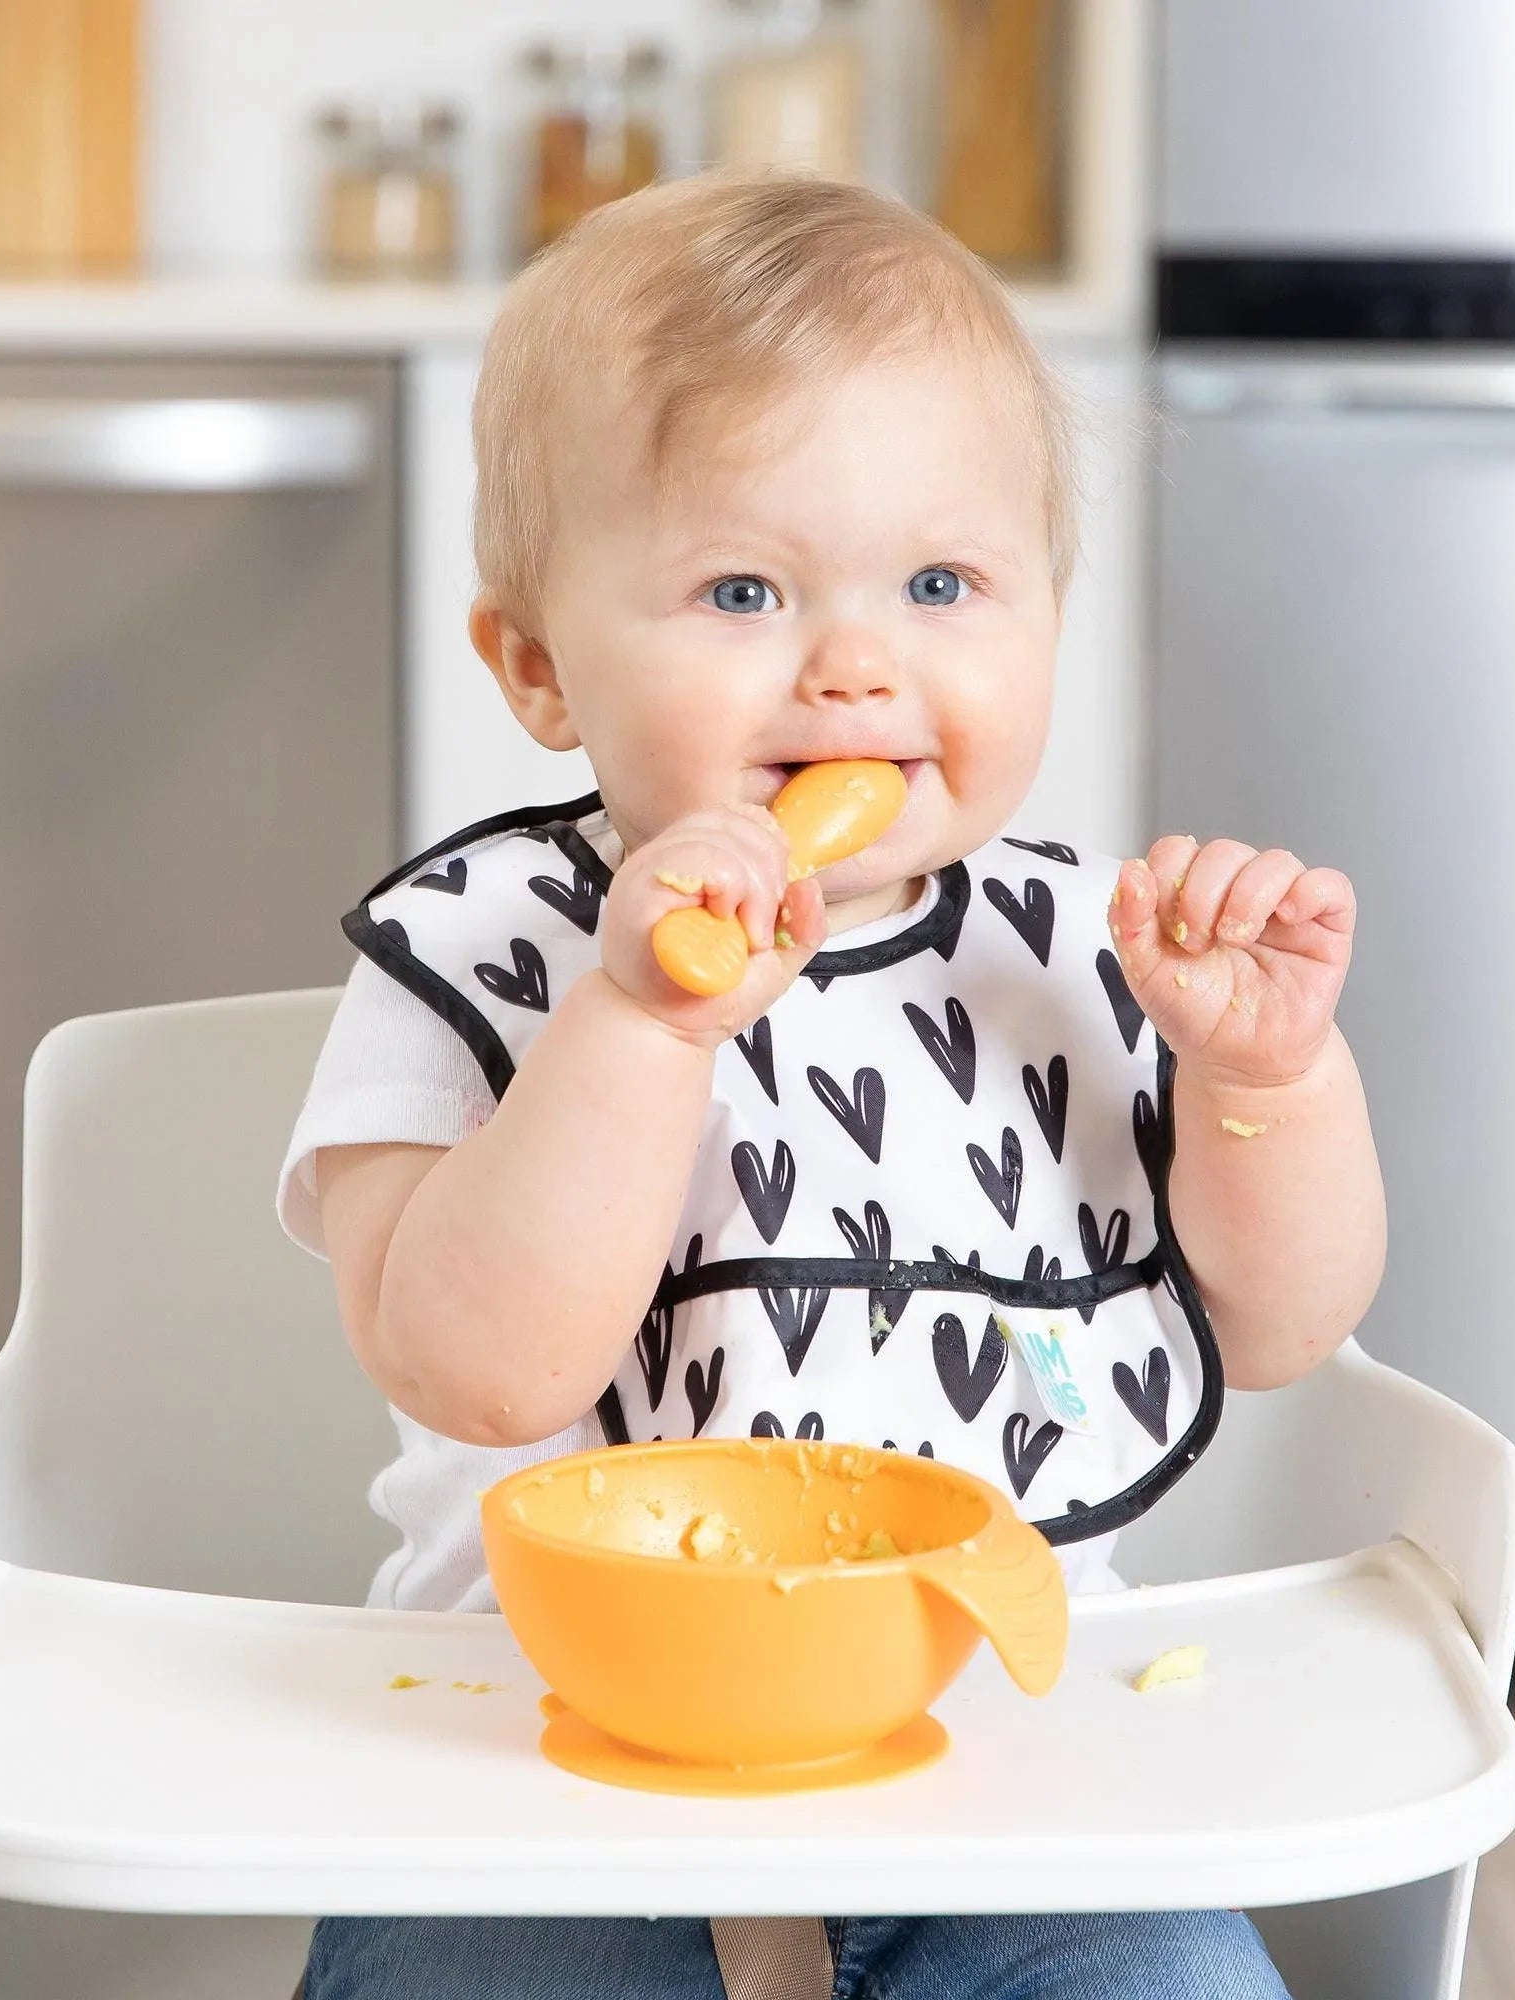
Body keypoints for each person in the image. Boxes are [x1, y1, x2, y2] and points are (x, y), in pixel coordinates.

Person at [278, 169, 1384, 2000]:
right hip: (537, 1765)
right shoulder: (475, 956)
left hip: (1009, 1736)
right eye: (740, 588)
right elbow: (475, 1367)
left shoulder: (1077, 952)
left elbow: (1280, 1322)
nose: (858, 663)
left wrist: (1268, 1074)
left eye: (941, 582)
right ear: (539, 666)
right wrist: (640, 1024)